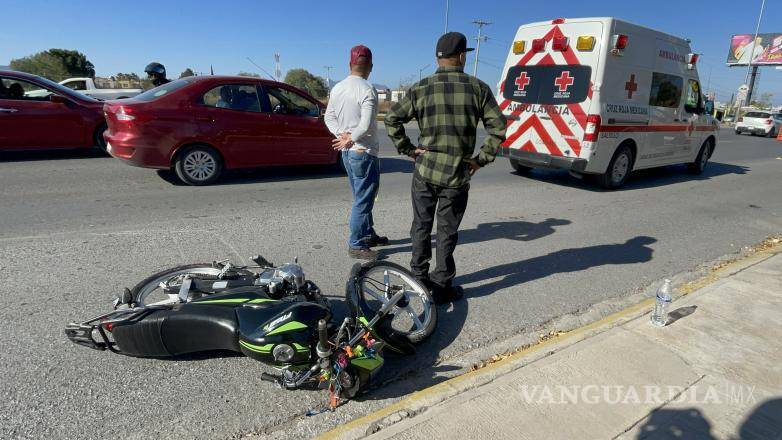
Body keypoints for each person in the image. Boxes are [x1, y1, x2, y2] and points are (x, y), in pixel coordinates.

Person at [384, 32, 506, 303]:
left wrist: (408, 149)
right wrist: (480, 159)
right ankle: (442, 285)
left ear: (437, 57)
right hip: (457, 174)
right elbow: (498, 128)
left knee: (421, 225)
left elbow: (392, 119)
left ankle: (417, 277)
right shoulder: (478, 88)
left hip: (425, 170)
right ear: (462, 56)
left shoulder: (421, 87)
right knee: (447, 230)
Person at [325, 45, 388, 260]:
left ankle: (368, 233)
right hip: (364, 151)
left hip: (348, 152)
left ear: (350, 64)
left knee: (362, 197)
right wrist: (350, 137)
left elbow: (328, 117)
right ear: (370, 66)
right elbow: (366, 124)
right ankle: (357, 243)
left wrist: (342, 135)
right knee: (364, 200)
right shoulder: (367, 89)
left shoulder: (338, 88)